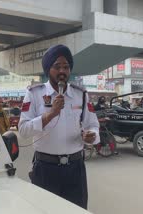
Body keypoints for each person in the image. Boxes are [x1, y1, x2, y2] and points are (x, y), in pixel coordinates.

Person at [18, 44, 100, 209]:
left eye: (66, 67)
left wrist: (91, 135)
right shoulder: (34, 93)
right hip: (45, 169)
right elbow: (23, 130)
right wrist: (50, 114)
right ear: (48, 69)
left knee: (76, 210)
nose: (62, 71)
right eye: (57, 67)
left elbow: (93, 125)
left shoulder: (80, 94)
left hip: (75, 169)